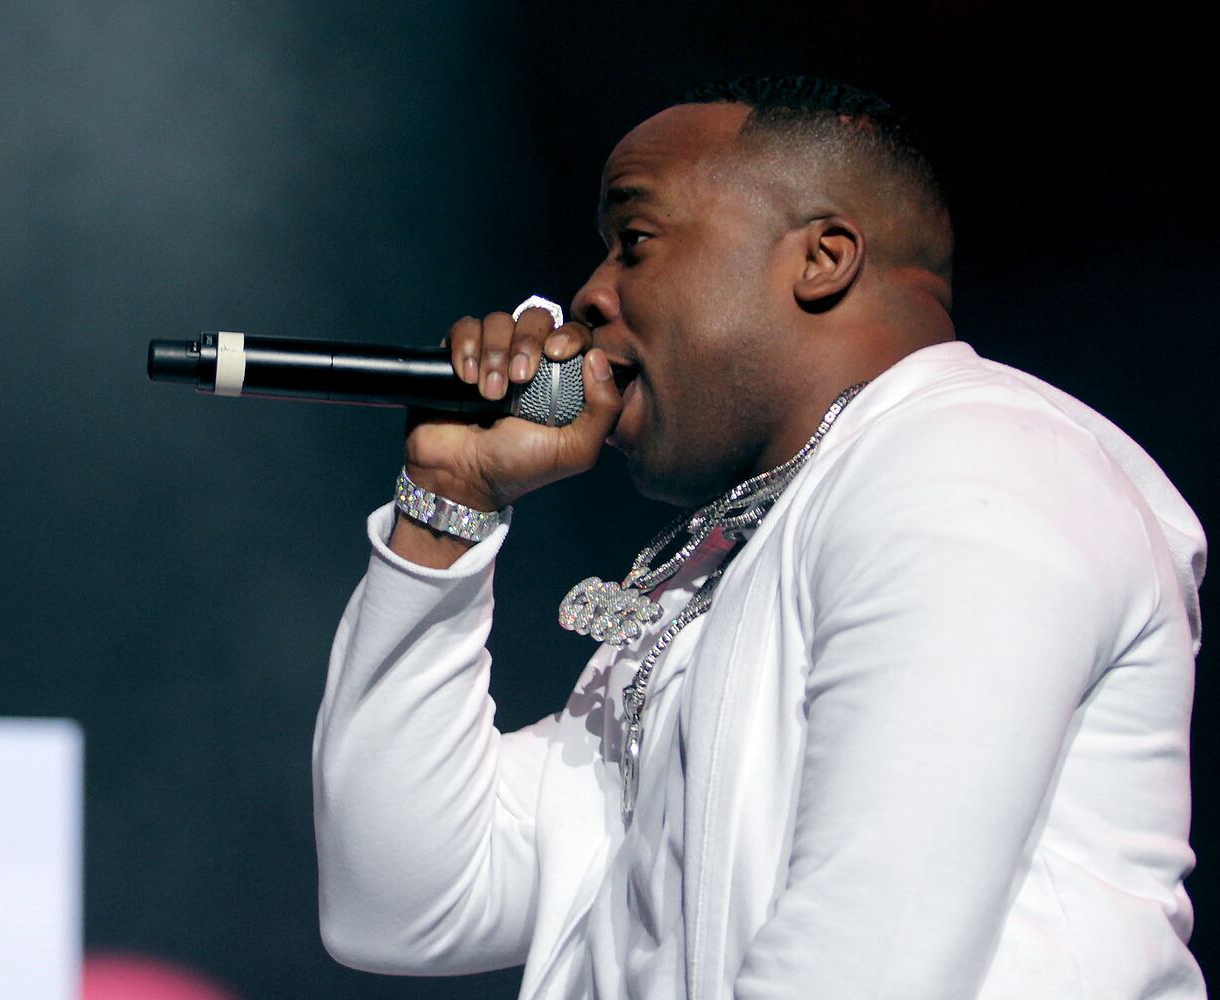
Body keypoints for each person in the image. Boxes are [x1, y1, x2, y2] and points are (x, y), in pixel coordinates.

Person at [311, 77, 1206, 998]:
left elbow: (866, 960)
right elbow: (404, 899)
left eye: (634, 241)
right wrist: (447, 499)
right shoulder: (727, 577)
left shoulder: (974, 460)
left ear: (821, 258)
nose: (587, 294)